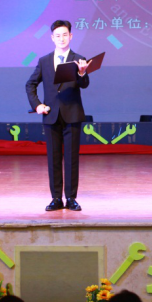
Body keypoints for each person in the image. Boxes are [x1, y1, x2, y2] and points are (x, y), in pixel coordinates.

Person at [26, 19, 91, 212]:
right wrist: (37, 105)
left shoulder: (79, 59)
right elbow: (30, 84)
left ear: (71, 36)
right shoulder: (44, 61)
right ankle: (56, 198)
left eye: (65, 35)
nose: (61, 38)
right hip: (51, 114)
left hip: (72, 114)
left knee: (71, 159)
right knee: (53, 159)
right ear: (52, 38)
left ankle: (71, 198)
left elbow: (84, 85)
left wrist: (82, 73)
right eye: (57, 35)